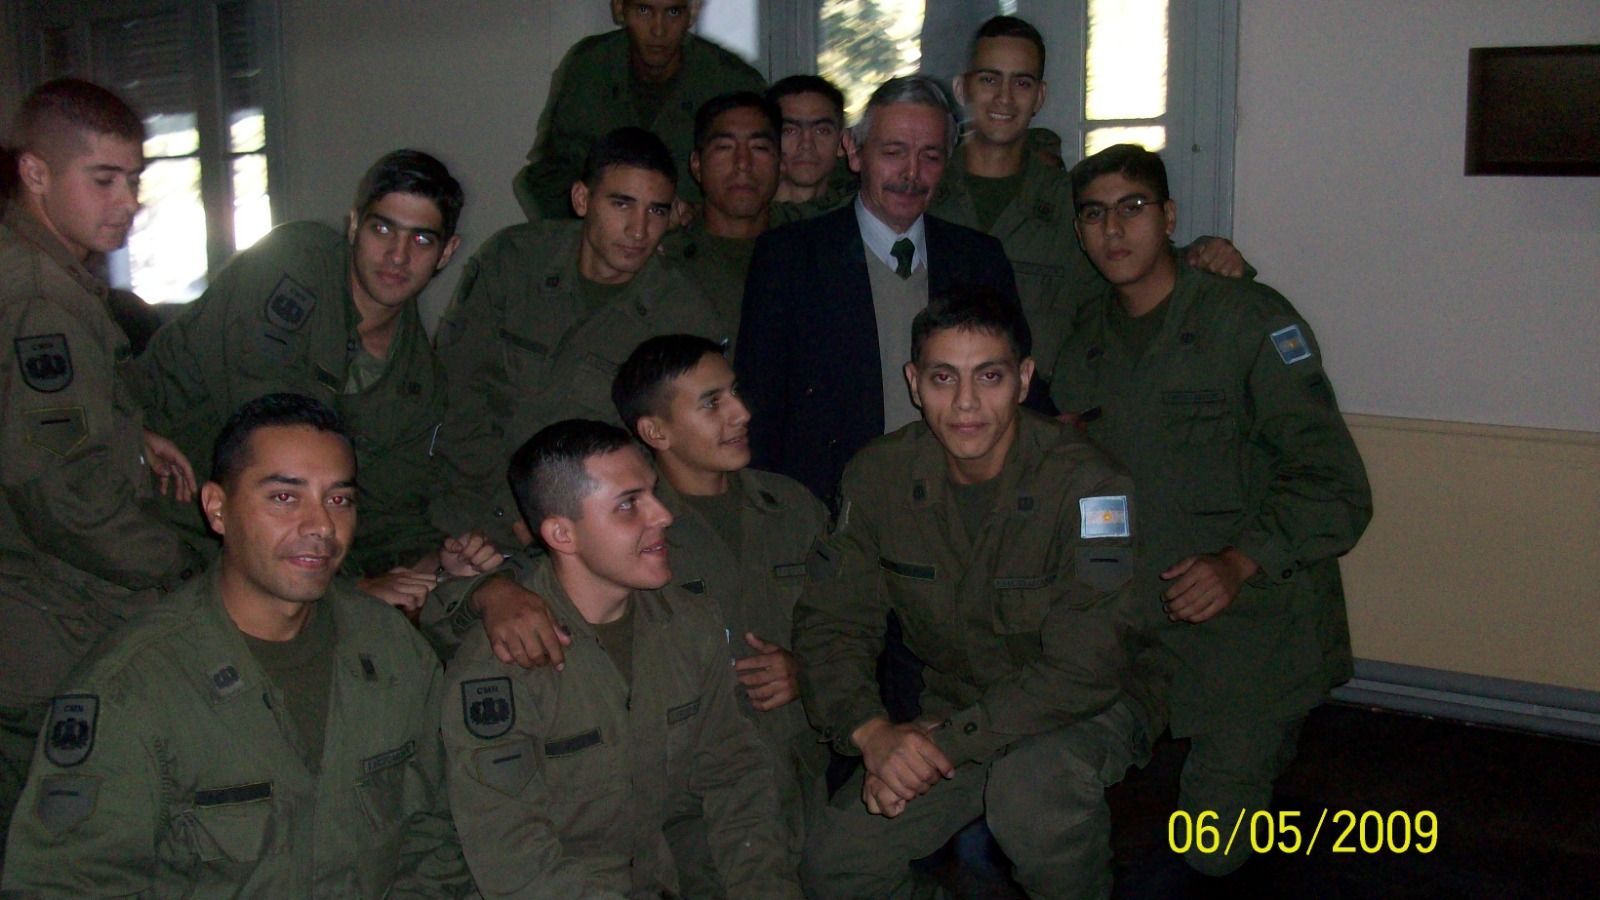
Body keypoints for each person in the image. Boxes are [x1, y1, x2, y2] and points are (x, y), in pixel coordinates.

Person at [2, 393, 473, 895]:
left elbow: (435, 841)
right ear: (217, 508)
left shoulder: (396, 655)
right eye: (284, 497)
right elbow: (67, 884)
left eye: (339, 499)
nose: (320, 526)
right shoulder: (133, 687)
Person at [1051, 144, 1372, 878]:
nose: (1114, 230)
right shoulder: (1086, 347)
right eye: (1094, 215)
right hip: (1143, 626)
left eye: (1133, 208)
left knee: (1213, 857)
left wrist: (1239, 560)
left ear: (1168, 218)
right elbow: (1095, 495)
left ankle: (1266, 728)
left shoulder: (1248, 322)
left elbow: (1337, 486)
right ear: (1079, 233)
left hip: (1253, 632)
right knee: (1048, 776)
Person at [794, 287, 1168, 898]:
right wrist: (872, 733)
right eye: (943, 378)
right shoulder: (880, 476)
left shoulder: (1091, 486)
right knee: (836, 863)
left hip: (1090, 705)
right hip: (962, 705)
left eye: (988, 376)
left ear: (1023, 380)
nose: (965, 404)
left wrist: (943, 741)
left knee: (1032, 797)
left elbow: (1088, 664)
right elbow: (832, 622)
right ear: (914, 383)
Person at [441, 419, 802, 898]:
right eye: (629, 504)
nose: (664, 515)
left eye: (653, 493)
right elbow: (514, 856)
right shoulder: (504, 659)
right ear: (562, 534)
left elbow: (734, 774)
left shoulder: (689, 623)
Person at [129, 149, 494, 613]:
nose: (398, 256)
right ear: (353, 226)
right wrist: (343, 591)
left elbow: (388, 511)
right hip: (140, 512)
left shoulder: (418, 380)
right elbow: (270, 447)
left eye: (421, 239)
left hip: (229, 557)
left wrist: (434, 562)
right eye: (382, 229)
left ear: (447, 252)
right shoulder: (293, 265)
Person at [0, 78, 208, 864]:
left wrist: (130, 436)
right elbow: (64, 501)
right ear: (37, 174)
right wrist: (193, 571)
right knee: (60, 852)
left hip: (41, 606)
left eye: (135, 179)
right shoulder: (39, 301)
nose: (127, 202)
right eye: (104, 179)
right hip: (45, 625)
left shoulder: (42, 271)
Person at [432, 126, 728, 552]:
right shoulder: (512, 263)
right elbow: (456, 395)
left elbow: (671, 453)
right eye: (622, 204)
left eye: (657, 211)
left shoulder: (682, 315)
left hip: (593, 530)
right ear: (582, 200)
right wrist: (513, 510)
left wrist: (565, 521)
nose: (639, 229)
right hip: (468, 505)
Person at [737, 74, 1019, 505]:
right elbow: (761, 407)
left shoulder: (979, 260)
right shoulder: (790, 258)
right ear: (853, 150)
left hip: (960, 504)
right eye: (893, 152)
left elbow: (1017, 391)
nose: (911, 174)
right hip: (831, 509)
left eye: (930, 157)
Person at [612, 334, 828, 894]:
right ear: (655, 432)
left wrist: (807, 670)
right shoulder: (631, 532)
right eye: (712, 403)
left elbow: (852, 623)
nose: (742, 413)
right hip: (696, 799)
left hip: (808, 770)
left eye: (734, 393)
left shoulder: (793, 508)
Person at [931, 15, 1248, 395]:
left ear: (1040, 96)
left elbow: (1136, 272)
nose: (1004, 97)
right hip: (933, 413)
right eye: (988, 79)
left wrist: (1205, 254)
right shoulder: (922, 194)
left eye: (1022, 82)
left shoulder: (1077, 208)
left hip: (1040, 421)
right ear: (962, 88)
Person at [513, 0, 765, 219]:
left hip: (700, 249)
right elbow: (550, 174)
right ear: (620, 8)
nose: (658, 29)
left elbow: (764, 181)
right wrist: (585, 232)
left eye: (673, 12)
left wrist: (697, 216)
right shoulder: (589, 67)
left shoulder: (731, 81)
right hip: (603, 244)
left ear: (693, 12)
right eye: (644, 10)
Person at [660, 92, 782, 330]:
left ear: (780, 162)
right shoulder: (663, 260)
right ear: (696, 164)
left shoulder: (813, 251)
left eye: (759, 147)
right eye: (725, 147)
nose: (743, 163)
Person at [766, 75, 856, 222]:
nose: (806, 145)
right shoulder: (743, 217)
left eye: (821, 131)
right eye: (789, 130)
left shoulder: (860, 214)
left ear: (841, 143)